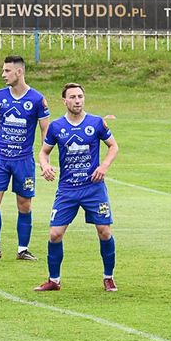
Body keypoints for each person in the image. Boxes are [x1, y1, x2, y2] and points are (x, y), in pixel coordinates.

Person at [33, 83, 119, 292]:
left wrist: (104, 166)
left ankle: (108, 277)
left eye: (80, 96)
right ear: (65, 101)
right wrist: (45, 166)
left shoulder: (96, 123)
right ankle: (54, 280)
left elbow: (113, 146)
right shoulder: (56, 127)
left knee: (104, 231)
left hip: (93, 188)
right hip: (67, 190)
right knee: (55, 234)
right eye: (73, 97)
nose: (78, 100)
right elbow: (43, 152)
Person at [0, 55, 51, 262]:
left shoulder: (37, 99)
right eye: (3, 70)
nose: (3, 75)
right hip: (0, 157)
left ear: (19, 72)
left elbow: (46, 129)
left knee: (24, 204)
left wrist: (45, 159)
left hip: (23, 160)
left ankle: (23, 249)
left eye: (7, 71)